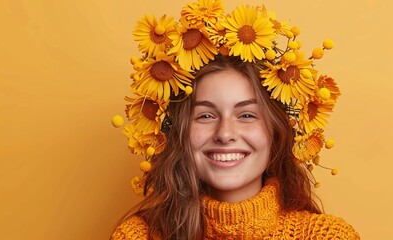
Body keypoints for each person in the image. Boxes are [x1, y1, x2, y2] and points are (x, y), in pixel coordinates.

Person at [110, 1, 359, 239]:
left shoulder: (327, 236)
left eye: (247, 115)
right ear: (179, 131)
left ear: (276, 130)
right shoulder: (137, 236)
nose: (225, 133)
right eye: (206, 115)